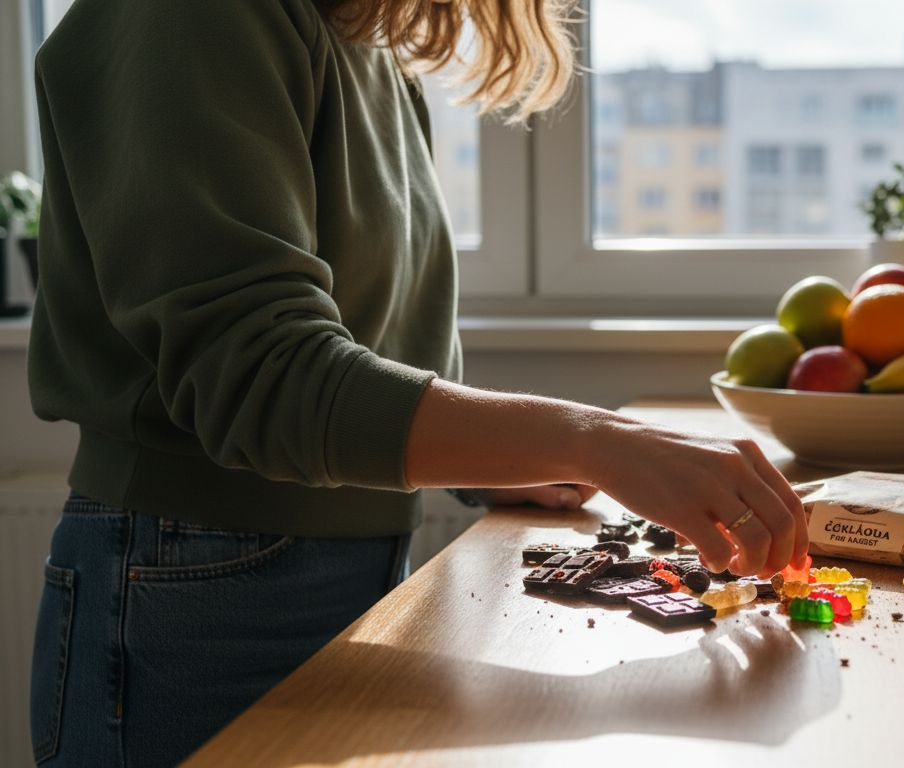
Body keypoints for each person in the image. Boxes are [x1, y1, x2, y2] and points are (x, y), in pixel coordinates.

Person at [26, 0, 808, 764]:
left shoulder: (361, 35)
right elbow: (258, 374)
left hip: (337, 566)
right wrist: (595, 442)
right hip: (193, 587)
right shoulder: (188, 17)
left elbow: (369, 342)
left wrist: (492, 466)